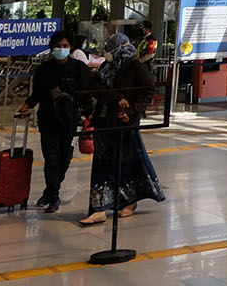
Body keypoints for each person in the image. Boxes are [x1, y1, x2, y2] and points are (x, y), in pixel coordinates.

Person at [80, 32, 165, 226]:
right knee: (101, 165)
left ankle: (129, 200)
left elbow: (148, 91)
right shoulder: (107, 68)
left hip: (125, 123)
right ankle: (99, 208)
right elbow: (97, 89)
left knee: (126, 164)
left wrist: (132, 111)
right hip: (103, 122)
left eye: (110, 49)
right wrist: (116, 98)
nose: (107, 53)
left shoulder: (135, 66)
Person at [19, 32, 95, 213]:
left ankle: (50, 191)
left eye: (65, 46)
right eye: (58, 46)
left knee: (65, 160)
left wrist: (90, 117)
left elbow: (86, 95)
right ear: (52, 47)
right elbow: (37, 93)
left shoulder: (79, 69)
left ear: (70, 48)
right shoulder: (44, 70)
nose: (62, 49)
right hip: (48, 120)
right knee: (51, 158)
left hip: (72, 122)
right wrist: (28, 105)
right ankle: (53, 196)